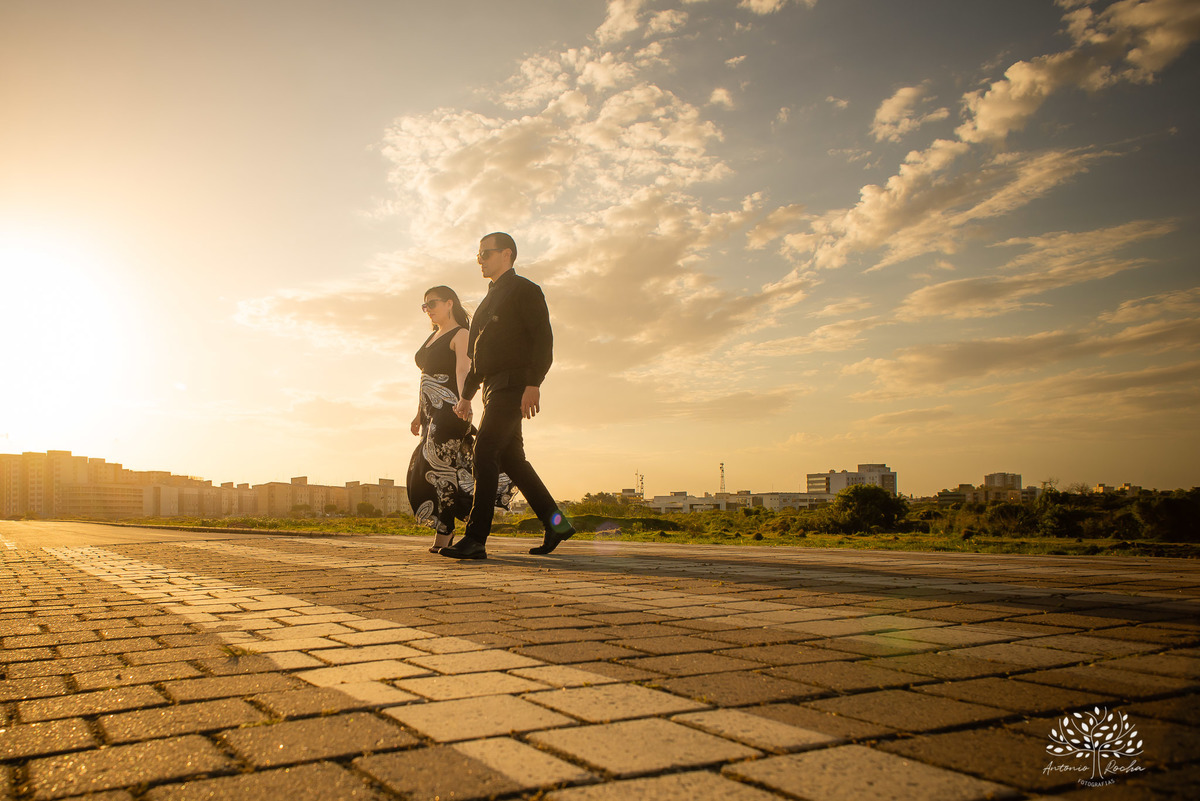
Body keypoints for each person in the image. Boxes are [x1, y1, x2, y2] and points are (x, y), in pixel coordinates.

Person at [439, 232, 575, 560]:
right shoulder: (488, 299)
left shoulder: (525, 290)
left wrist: (534, 383)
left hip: (514, 385)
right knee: (513, 460)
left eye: (486, 254)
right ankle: (556, 523)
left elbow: (543, 339)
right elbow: (480, 355)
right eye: (478, 255)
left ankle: (476, 538)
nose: (480, 260)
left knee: (484, 451)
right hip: (492, 389)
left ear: (507, 255)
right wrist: (467, 396)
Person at [407, 285, 512, 553]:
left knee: (442, 473)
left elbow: (463, 369)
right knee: (428, 470)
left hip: (449, 411)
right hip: (430, 415)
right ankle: (447, 531)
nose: (428, 310)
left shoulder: (461, 334)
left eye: (432, 304)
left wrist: (465, 402)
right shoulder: (433, 336)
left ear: (449, 303)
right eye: (425, 306)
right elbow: (425, 380)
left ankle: (445, 535)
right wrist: (419, 414)